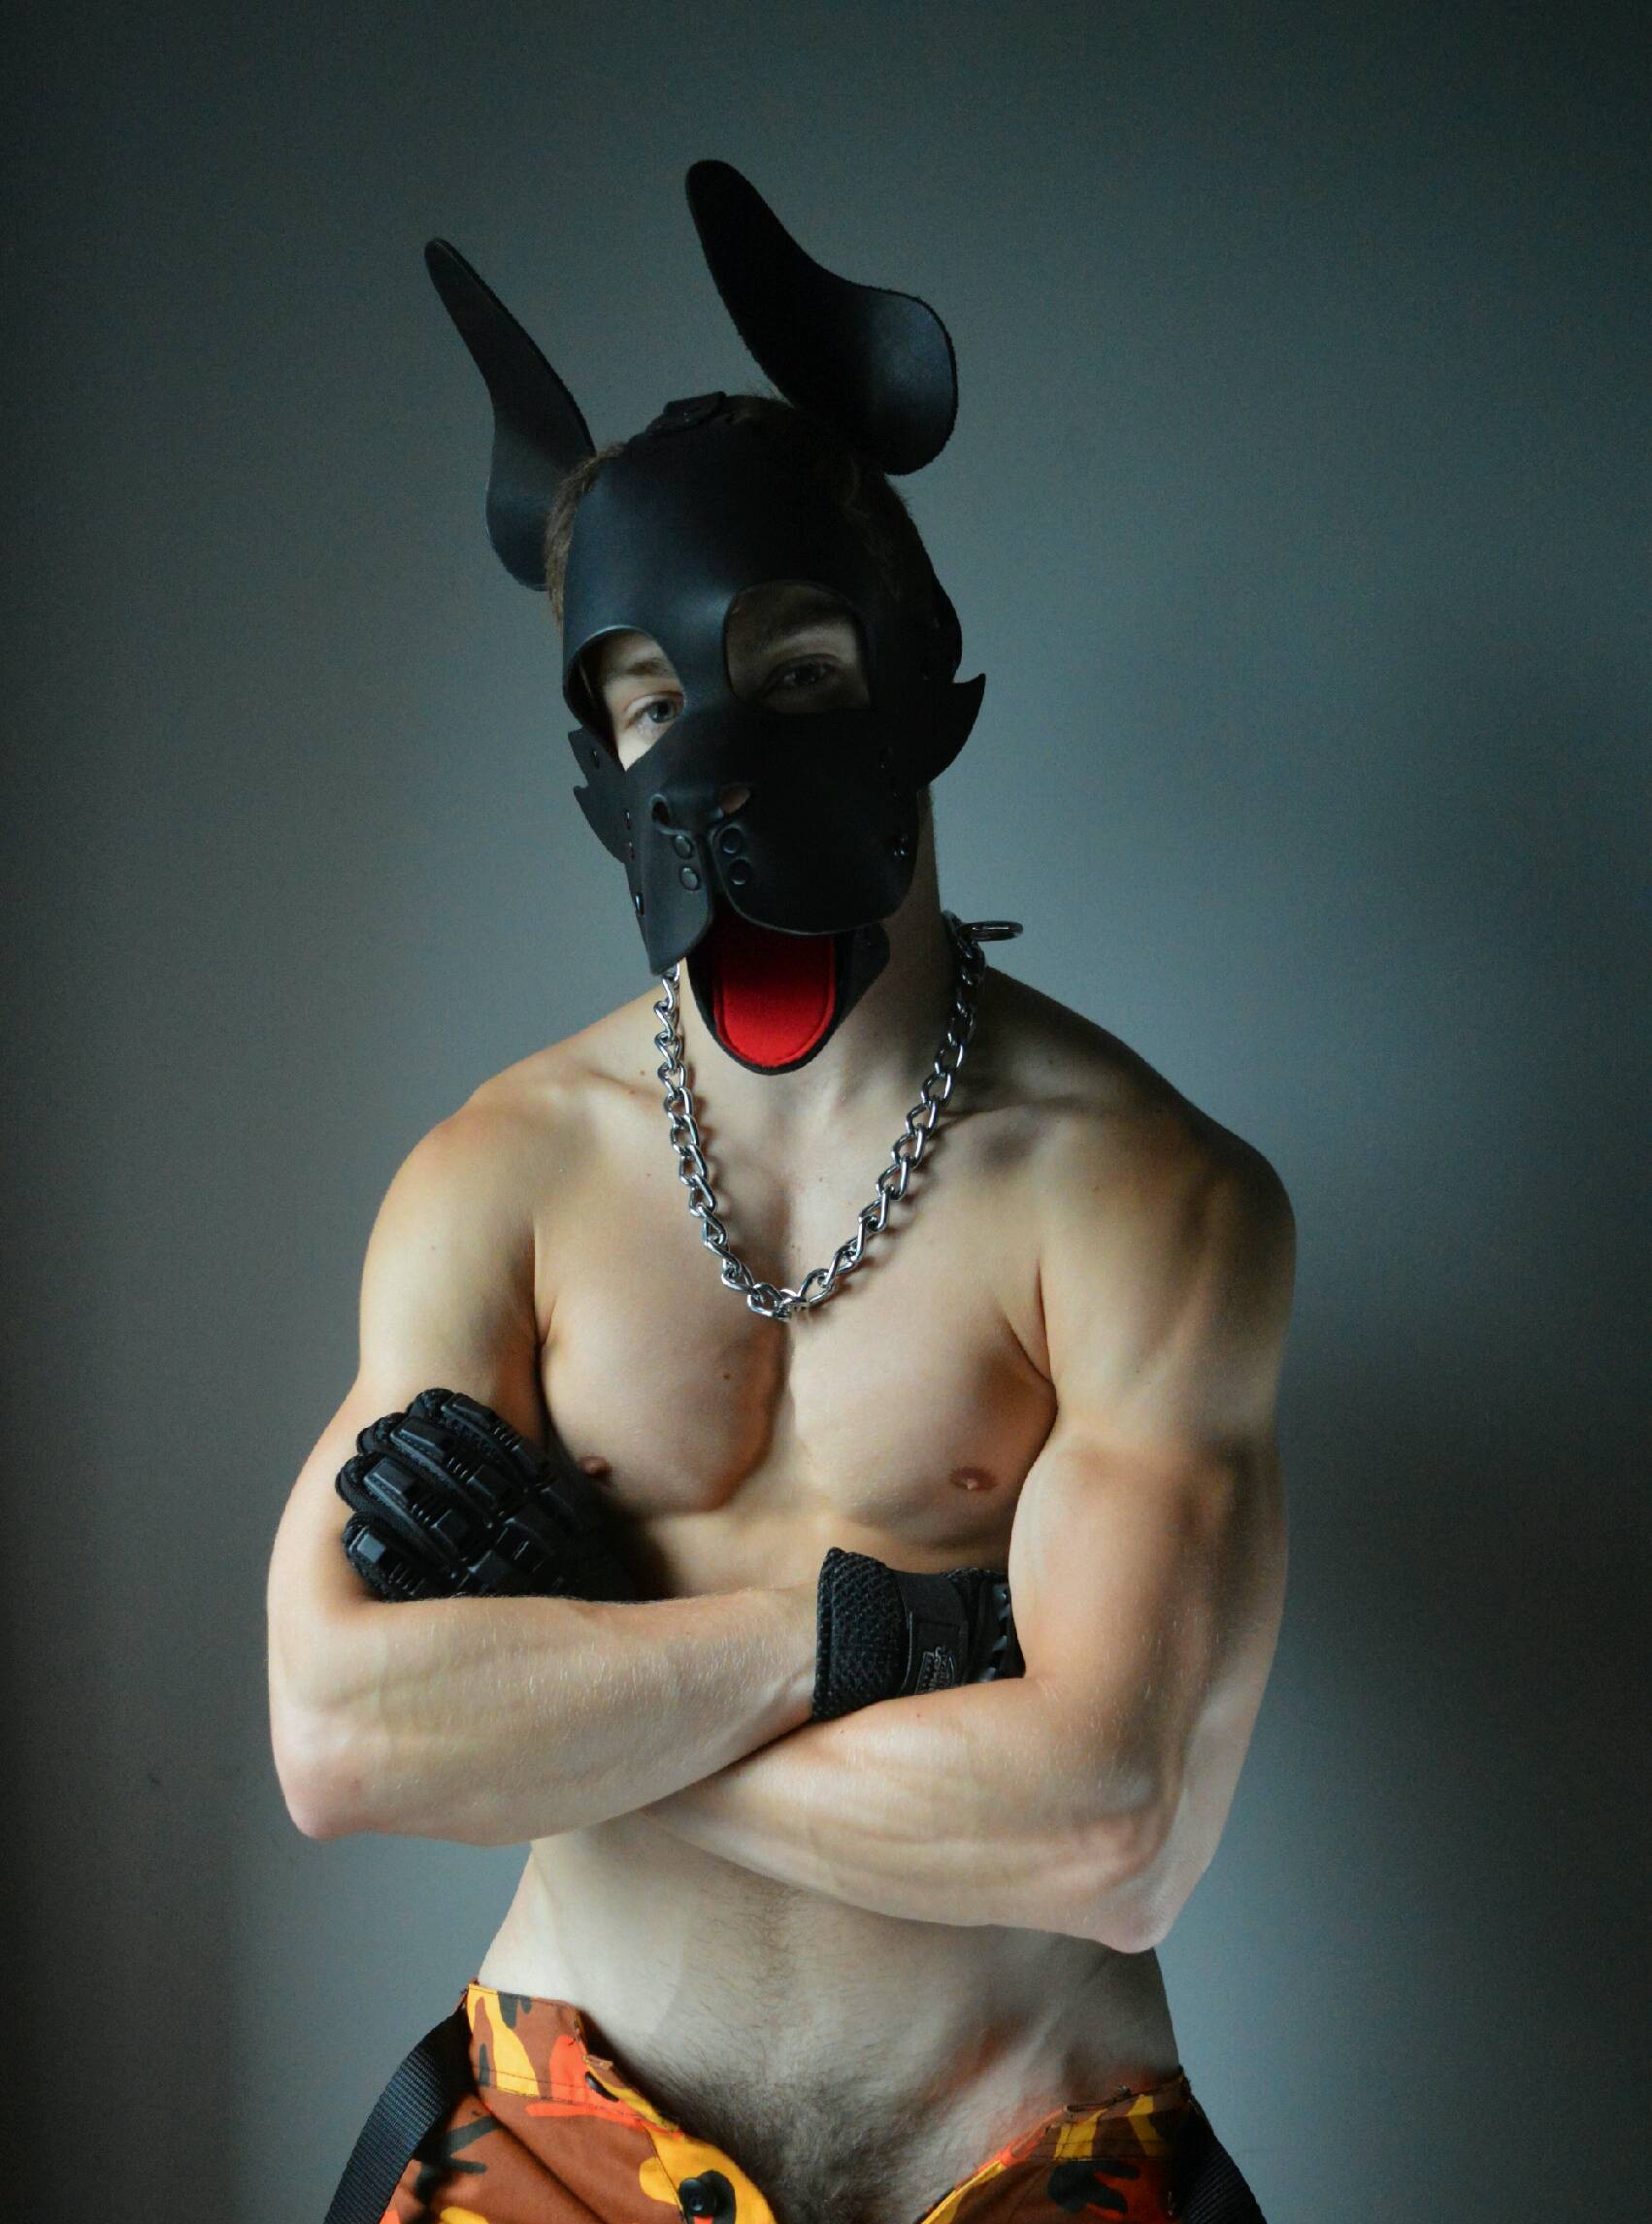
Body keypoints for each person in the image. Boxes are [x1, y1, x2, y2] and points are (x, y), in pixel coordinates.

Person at [266, 163, 1295, 2224]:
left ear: (915, 684)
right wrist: (880, 1639)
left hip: (1023, 2159)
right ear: (597, 750)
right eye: (651, 703)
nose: (716, 757)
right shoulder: (502, 1176)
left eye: (796, 672)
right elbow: (343, 1738)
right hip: (551, 2147)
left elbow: (1109, 1831)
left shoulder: (1140, 1200)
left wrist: (582, 1690)